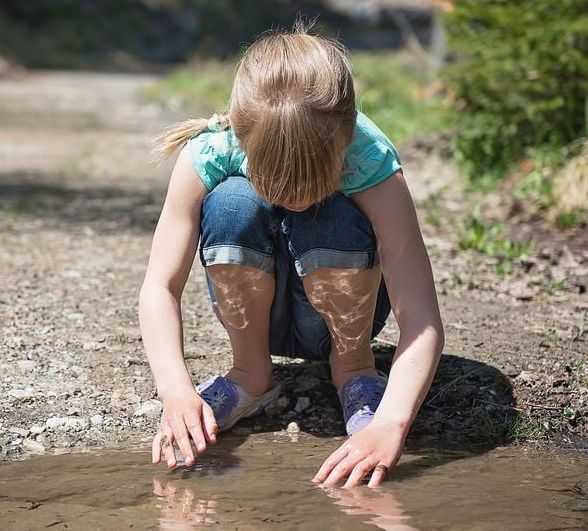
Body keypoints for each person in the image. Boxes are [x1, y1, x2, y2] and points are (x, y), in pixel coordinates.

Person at [139, 26, 444, 488]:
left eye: (312, 180)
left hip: (343, 320)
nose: (297, 198)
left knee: (334, 214)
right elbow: (160, 286)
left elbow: (421, 318)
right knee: (233, 204)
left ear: (344, 144)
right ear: (243, 141)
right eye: (278, 183)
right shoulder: (213, 151)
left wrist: (391, 423)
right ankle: (250, 373)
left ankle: (354, 370)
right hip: (260, 315)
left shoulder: (369, 161)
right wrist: (177, 391)